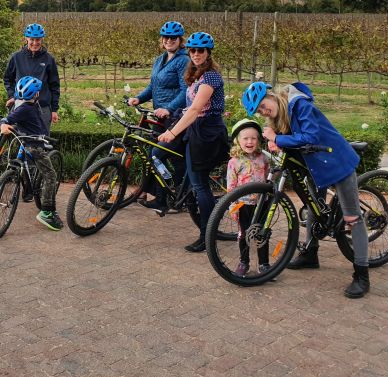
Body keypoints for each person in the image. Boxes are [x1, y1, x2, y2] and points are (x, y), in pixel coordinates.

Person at [242, 81, 368, 298]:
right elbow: (294, 139)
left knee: (352, 218)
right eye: (260, 111)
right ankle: (310, 254)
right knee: (312, 206)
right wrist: (278, 142)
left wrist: (277, 138)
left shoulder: (300, 105)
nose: (264, 111)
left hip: (336, 161)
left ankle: (362, 275)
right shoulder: (281, 116)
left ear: (271, 96)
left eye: (263, 105)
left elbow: (311, 136)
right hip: (316, 165)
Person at [157, 32, 229, 253]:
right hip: (195, 130)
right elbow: (189, 107)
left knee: (199, 185)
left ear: (208, 53)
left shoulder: (211, 77)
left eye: (201, 50)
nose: (196, 54)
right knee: (161, 154)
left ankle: (207, 236)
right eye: (193, 50)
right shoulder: (196, 74)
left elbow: (197, 109)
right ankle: (173, 196)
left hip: (207, 133)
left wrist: (172, 131)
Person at [128, 20, 189, 209]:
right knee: (156, 155)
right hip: (159, 116)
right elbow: (153, 86)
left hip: (175, 116)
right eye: (166, 37)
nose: (169, 40)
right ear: (162, 40)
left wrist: (169, 108)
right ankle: (164, 195)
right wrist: (139, 98)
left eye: (173, 38)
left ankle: (179, 197)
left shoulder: (184, 60)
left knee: (165, 156)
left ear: (180, 40)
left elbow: (185, 90)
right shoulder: (159, 59)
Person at [0, 76, 61, 231]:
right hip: (35, 146)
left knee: (30, 167)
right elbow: (6, 119)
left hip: (27, 143)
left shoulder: (30, 105)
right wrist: (3, 125)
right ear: (35, 94)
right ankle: (46, 212)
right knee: (51, 176)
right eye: (38, 92)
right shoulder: (25, 108)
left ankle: (29, 189)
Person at [226, 118, 271, 276]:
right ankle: (244, 262)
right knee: (243, 234)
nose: (250, 141)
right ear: (238, 140)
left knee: (261, 233)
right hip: (243, 205)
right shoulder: (234, 162)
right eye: (245, 138)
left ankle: (264, 264)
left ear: (258, 140)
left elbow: (269, 180)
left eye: (254, 138)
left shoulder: (264, 158)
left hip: (261, 204)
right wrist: (233, 207)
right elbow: (231, 187)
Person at [3, 23, 60, 133]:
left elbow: (54, 85)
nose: (35, 43)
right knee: (19, 141)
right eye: (32, 39)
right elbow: (7, 79)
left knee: (41, 142)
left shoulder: (49, 59)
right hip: (21, 106)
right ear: (26, 38)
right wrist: (11, 95)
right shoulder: (16, 57)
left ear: (42, 39)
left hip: (42, 108)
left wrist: (54, 109)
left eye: (38, 39)